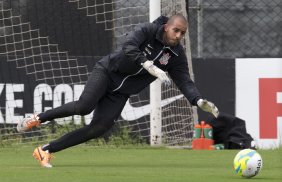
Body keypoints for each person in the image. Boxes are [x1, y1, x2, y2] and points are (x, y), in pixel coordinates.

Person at [17, 14, 219, 168]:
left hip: (120, 92)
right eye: (176, 30)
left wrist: (198, 100)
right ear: (166, 27)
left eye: (182, 33)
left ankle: (45, 150)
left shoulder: (176, 55)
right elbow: (128, 46)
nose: (178, 36)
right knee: (83, 107)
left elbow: (184, 81)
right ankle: (37, 118)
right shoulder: (148, 30)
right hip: (107, 72)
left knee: (99, 128)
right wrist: (147, 64)